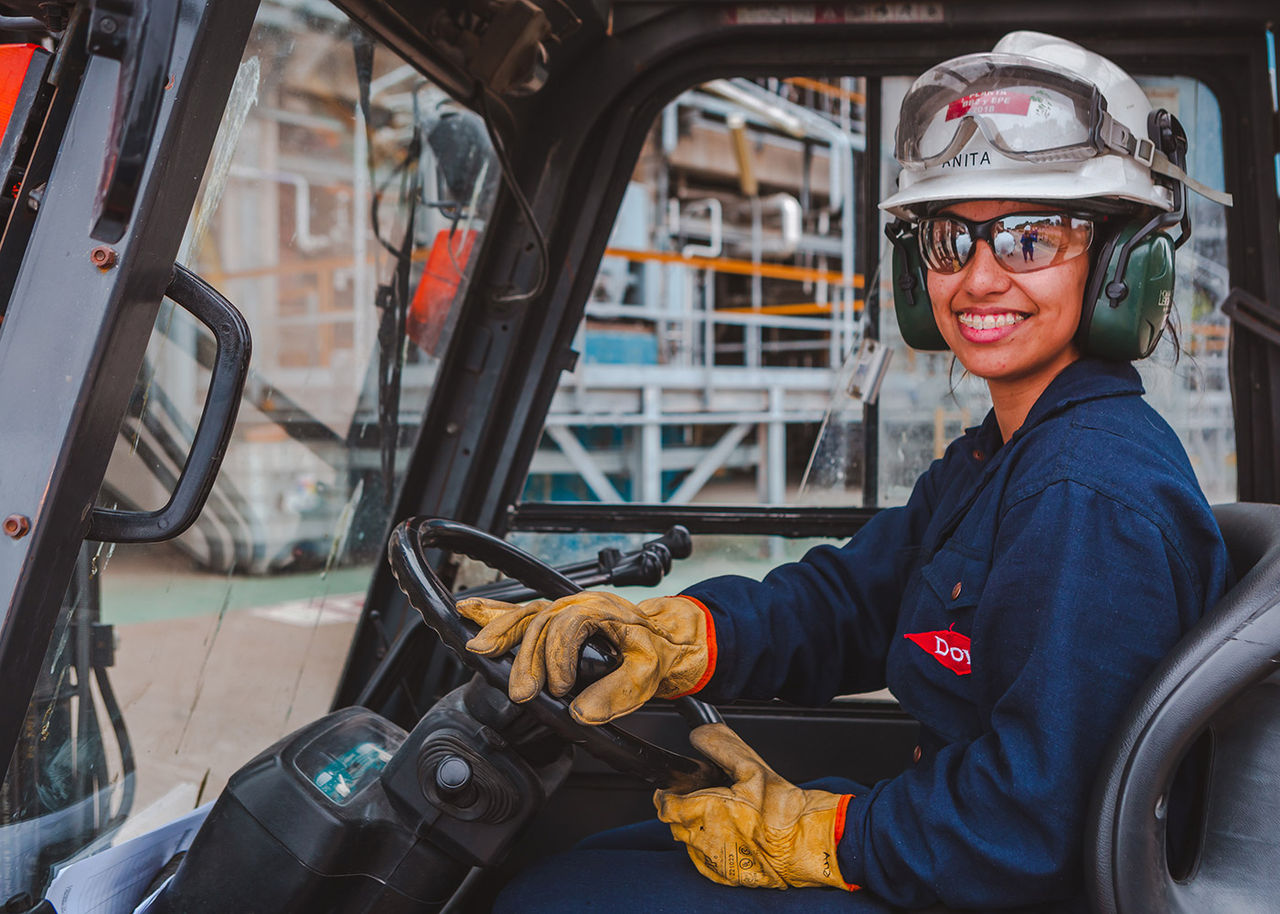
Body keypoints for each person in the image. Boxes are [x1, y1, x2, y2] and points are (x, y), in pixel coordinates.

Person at [457, 32, 1233, 913]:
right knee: (592, 865)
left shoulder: (1086, 495)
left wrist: (824, 835)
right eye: (949, 239)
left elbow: (1031, 824)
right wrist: (679, 635)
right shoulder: (1005, 458)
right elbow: (854, 599)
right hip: (954, 851)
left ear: (1122, 267)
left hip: (993, 879)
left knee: (548, 904)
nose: (978, 279)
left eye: (1029, 238)